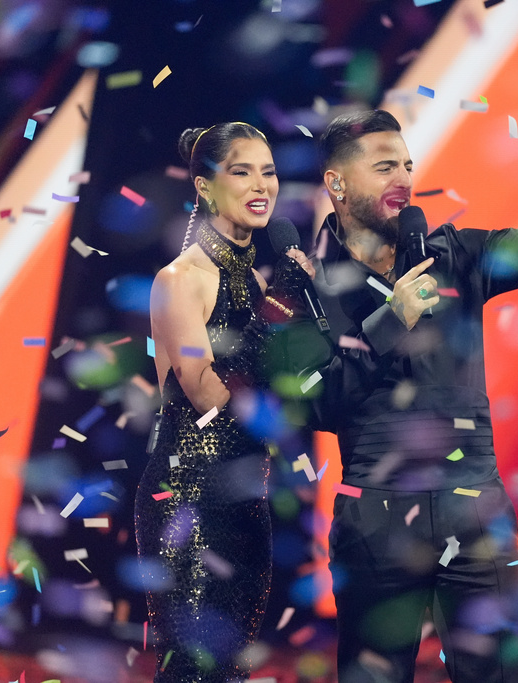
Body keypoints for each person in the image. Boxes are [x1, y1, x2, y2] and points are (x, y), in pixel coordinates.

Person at [277, 56, 518, 682]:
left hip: (475, 511)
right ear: (336, 183)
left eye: (407, 166)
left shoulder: (455, 256)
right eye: (385, 166)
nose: (403, 179)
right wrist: (389, 323)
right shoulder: (307, 283)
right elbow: (314, 405)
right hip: (377, 518)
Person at [135, 121, 313, 681]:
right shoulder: (179, 279)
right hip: (188, 503)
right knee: (193, 668)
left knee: (231, 668)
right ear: (205, 187)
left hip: (246, 500)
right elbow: (208, 396)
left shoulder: (259, 284)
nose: (262, 185)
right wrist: (277, 311)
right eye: (242, 172)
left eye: (269, 172)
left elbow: (278, 393)